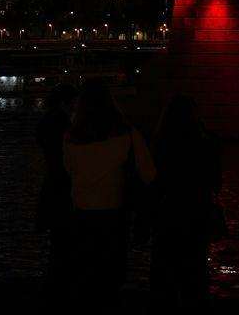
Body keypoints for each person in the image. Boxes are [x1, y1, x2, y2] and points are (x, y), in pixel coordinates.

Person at [63, 78, 155, 311]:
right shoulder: (127, 134)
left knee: (85, 274)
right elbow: (149, 173)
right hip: (114, 212)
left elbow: (68, 169)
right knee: (111, 275)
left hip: (81, 212)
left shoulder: (71, 137)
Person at [149, 96, 222, 313]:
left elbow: (153, 182)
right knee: (195, 270)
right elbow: (216, 182)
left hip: (168, 212)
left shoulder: (159, 143)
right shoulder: (208, 142)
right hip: (197, 212)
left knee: (165, 272)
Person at [35, 83, 77, 303]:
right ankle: (59, 290)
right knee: (64, 242)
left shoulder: (46, 122)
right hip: (63, 188)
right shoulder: (64, 125)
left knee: (57, 242)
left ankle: (52, 289)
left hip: (52, 185)